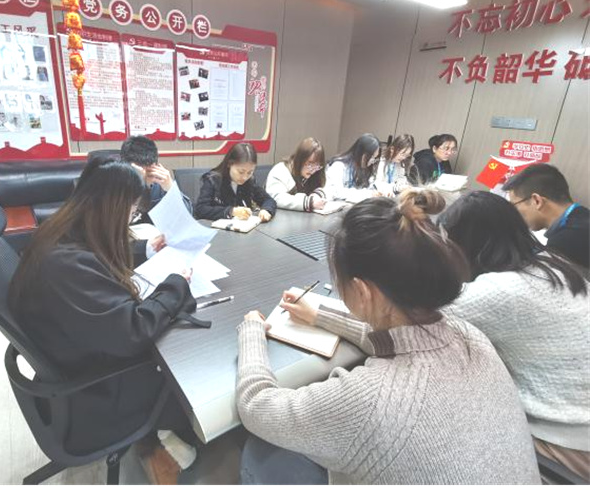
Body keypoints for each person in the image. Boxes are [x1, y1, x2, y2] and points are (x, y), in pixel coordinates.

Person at [235, 190, 540, 484]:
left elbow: (256, 407)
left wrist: (252, 332)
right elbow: (405, 340)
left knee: (262, 452)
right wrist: (320, 315)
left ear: (363, 292)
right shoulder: (471, 336)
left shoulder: (368, 399)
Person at [8, 157, 199, 473]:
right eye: (132, 212)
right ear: (113, 207)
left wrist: (146, 250)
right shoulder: (66, 267)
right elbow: (134, 332)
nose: (130, 220)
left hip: (72, 358)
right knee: (187, 358)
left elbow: (96, 256)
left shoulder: (60, 232)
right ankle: (166, 438)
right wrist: (176, 284)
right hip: (98, 387)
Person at [439, 191, 590, 481]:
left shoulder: (501, 290)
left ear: (464, 245)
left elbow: (416, 322)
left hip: (572, 444)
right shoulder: (553, 264)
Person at [502, 163, 589, 268]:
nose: (514, 213)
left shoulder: (565, 242)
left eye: (514, 206)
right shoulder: (583, 216)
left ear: (537, 201)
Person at [194, 142, 277, 222]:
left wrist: (266, 210)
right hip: (214, 228)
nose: (245, 177)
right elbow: (201, 209)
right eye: (241, 172)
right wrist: (231, 211)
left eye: (250, 172)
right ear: (229, 164)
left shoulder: (250, 181)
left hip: (242, 228)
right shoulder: (212, 180)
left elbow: (268, 200)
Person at [119, 136, 194, 223]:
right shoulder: (115, 181)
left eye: (149, 172)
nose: (144, 176)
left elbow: (187, 215)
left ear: (156, 166)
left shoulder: (161, 182)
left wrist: (170, 189)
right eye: (138, 172)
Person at [265, 137, 331, 212]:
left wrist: (317, 194)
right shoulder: (281, 170)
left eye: (317, 165)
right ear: (300, 159)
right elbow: (276, 198)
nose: (313, 170)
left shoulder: (317, 171)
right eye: (309, 164)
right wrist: (309, 202)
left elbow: (330, 187)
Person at [325, 133, 380, 203]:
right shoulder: (339, 165)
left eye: (374, 157)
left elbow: (370, 187)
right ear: (362, 153)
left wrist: (375, 192)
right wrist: (367, 194)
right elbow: (337, 192)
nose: (372, 161)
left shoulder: (365, 169)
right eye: (372, 157)